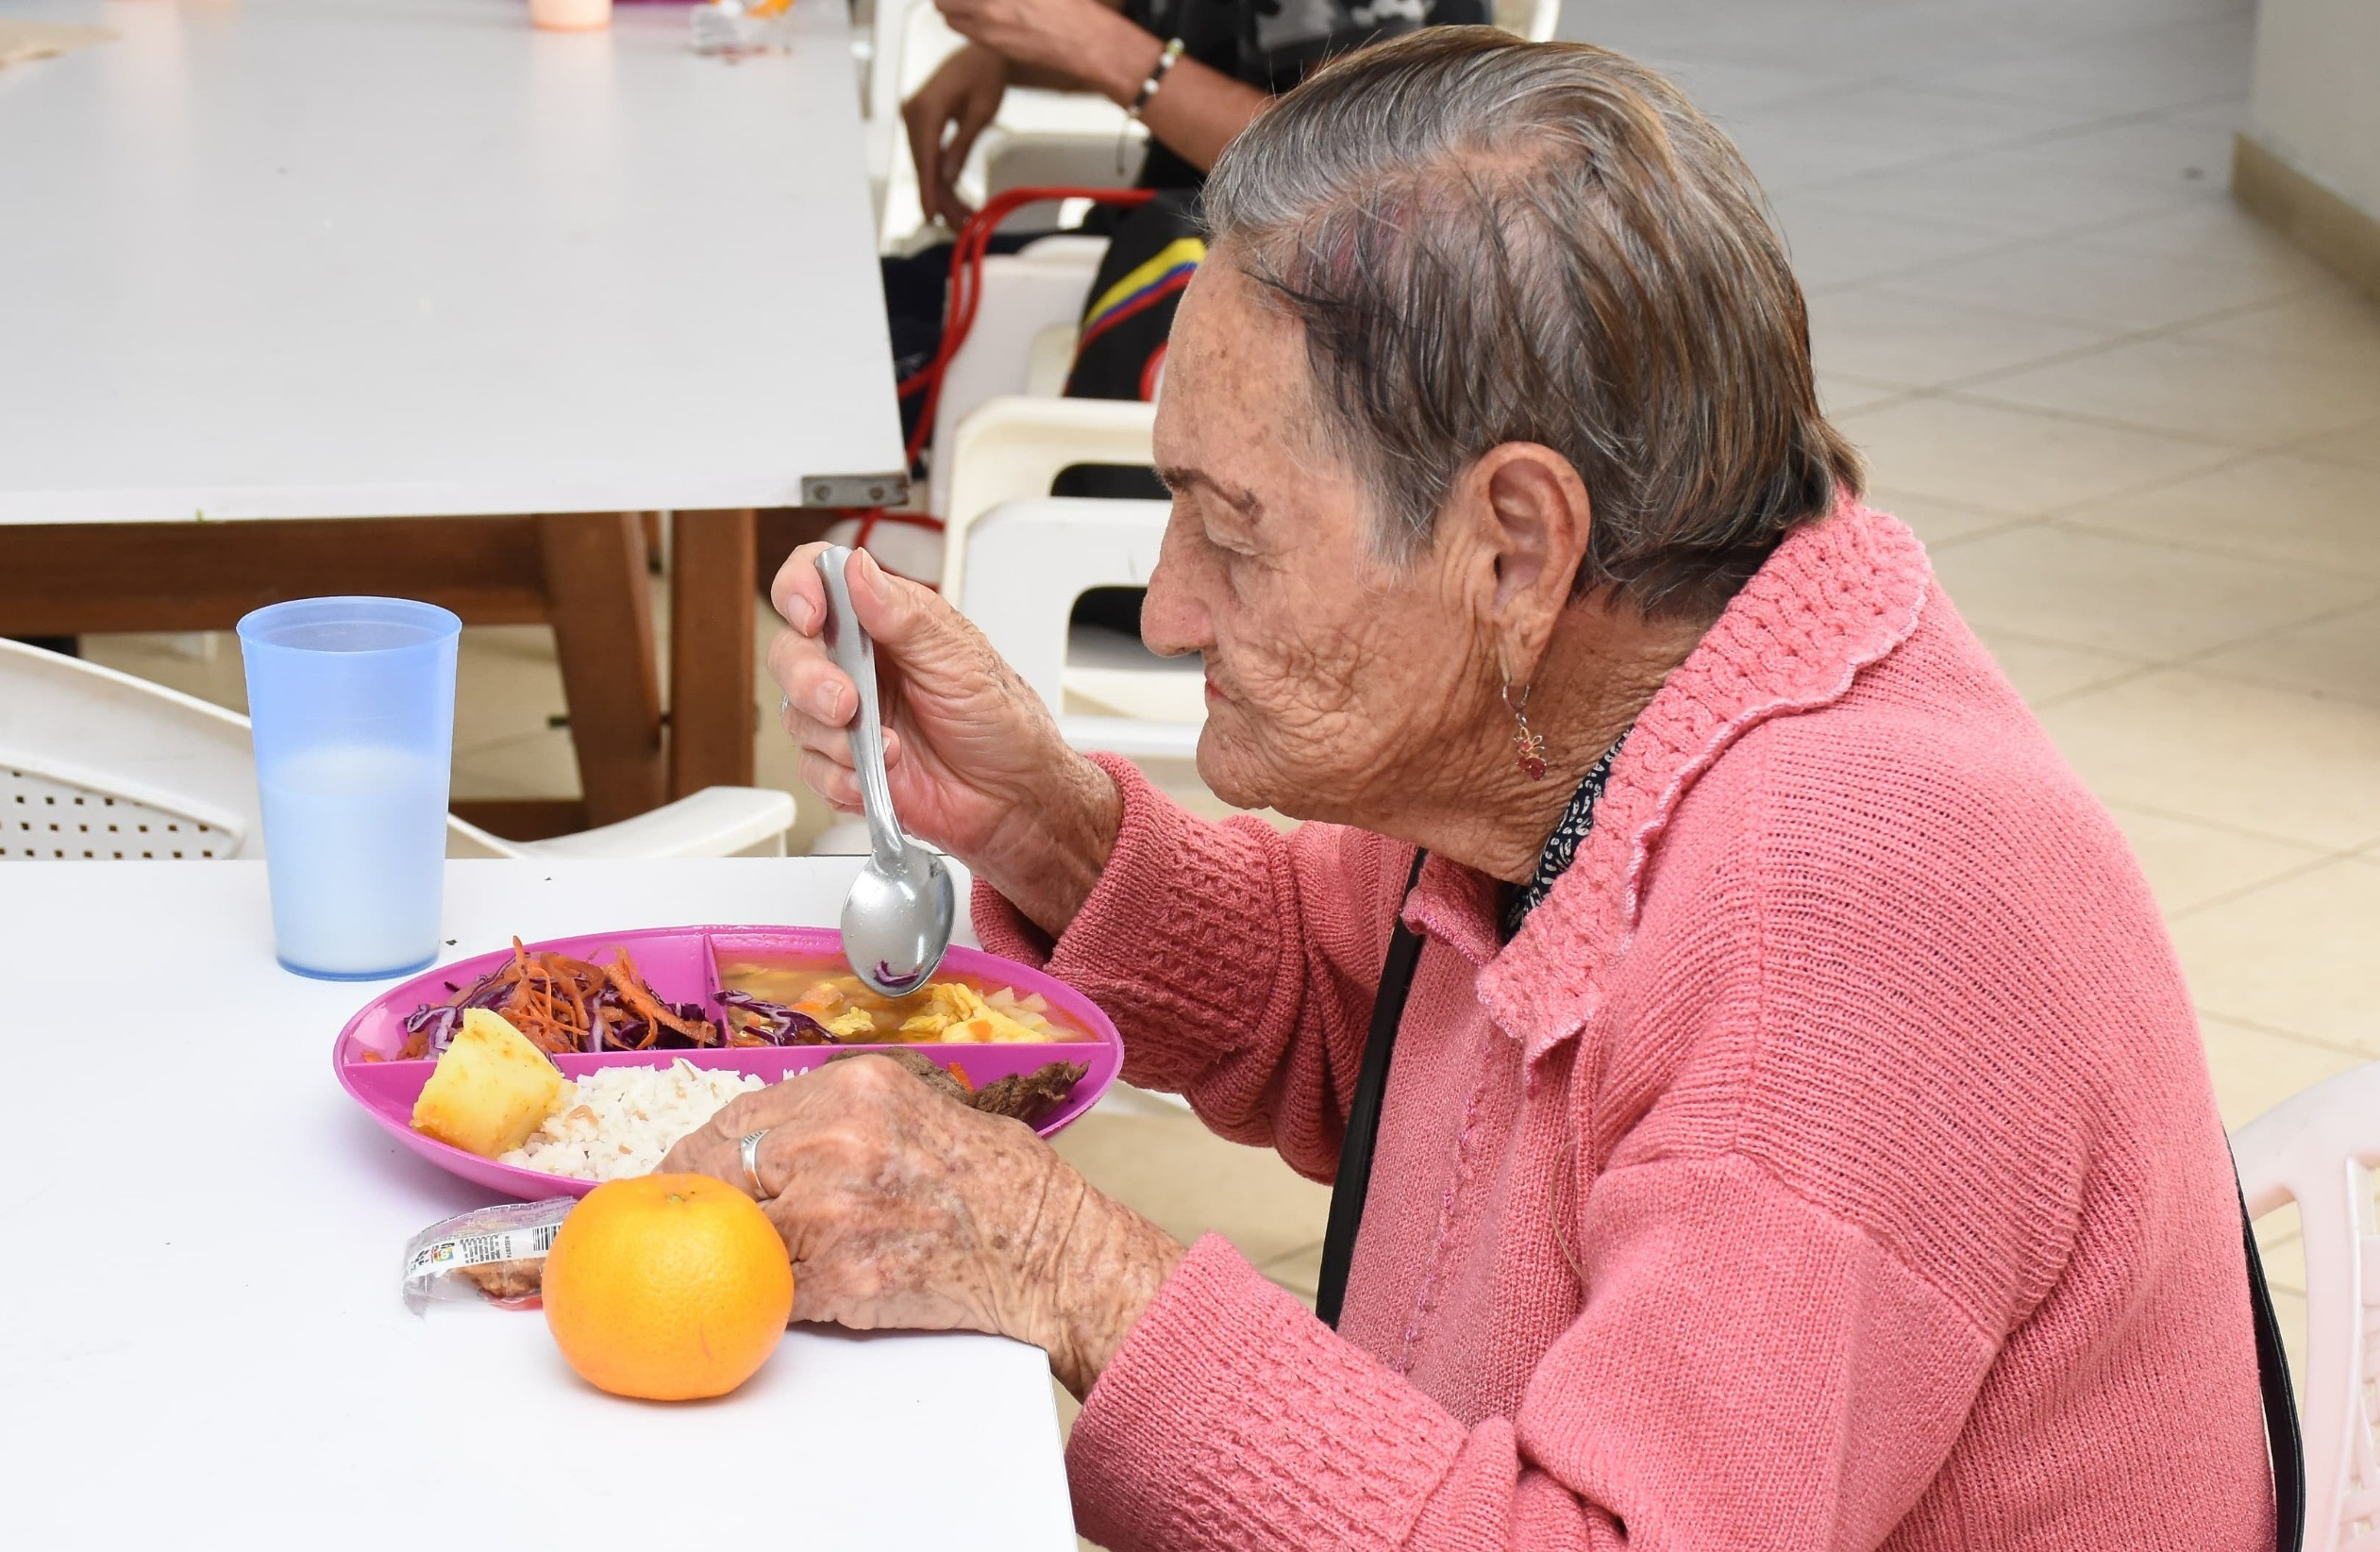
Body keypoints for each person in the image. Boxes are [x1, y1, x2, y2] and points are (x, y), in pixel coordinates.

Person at [667, 31, 2272, 1549]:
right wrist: (1052, 832)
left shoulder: (1847, 925)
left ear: (1516, 545)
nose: (1165, 608)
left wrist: (1064, 1262)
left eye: (1231, 529)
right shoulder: (1610, 710)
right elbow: (1377, 1029)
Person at [885, 0, 1489, 443]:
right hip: (1145, 254)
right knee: (871, 300)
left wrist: (1099, 46)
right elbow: (1194, 46)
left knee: (844, 396)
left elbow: (1365, 171)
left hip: (1283, 328)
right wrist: (1005, 56)